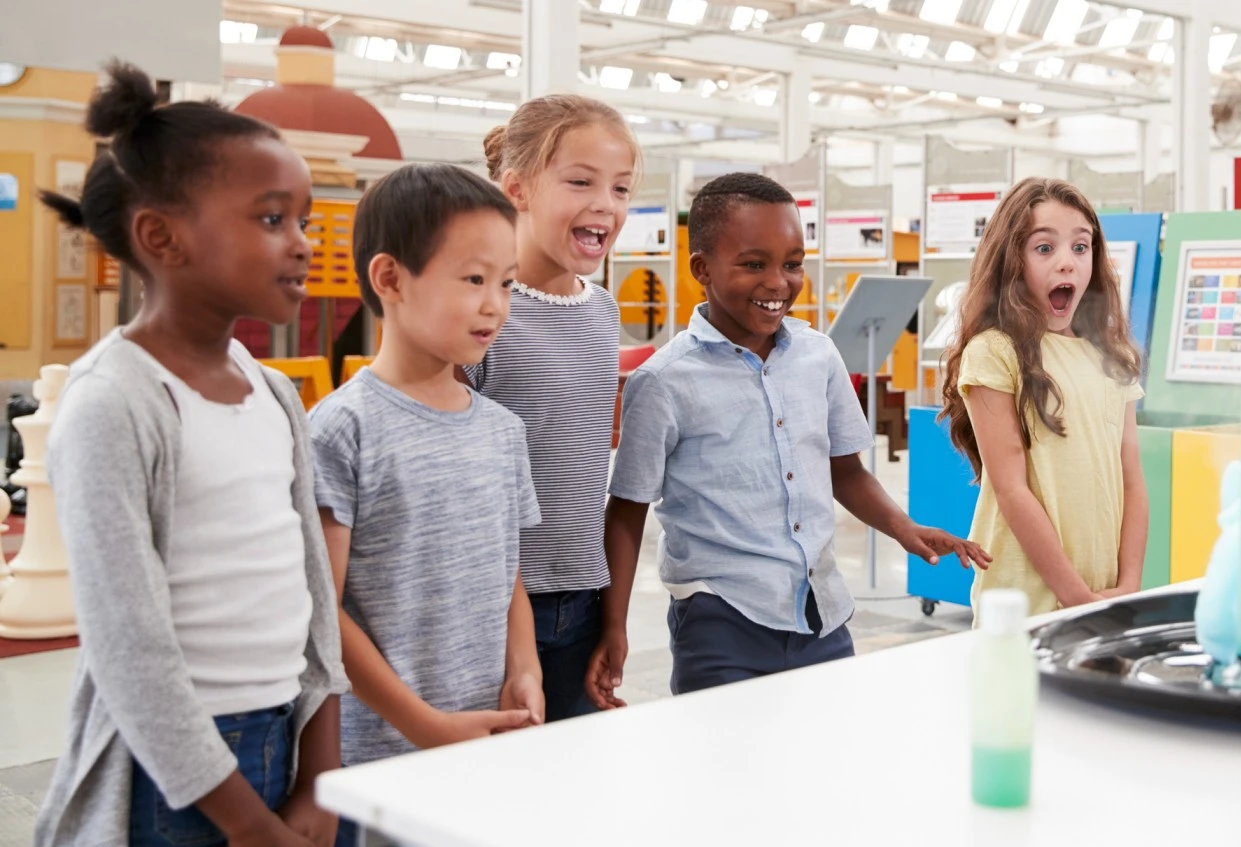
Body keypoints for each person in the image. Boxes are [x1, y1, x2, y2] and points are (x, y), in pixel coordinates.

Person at [35, 61, 347, 847]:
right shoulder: (114, 401)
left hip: (289, 735)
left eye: (303, 221)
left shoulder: (272, 391)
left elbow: (313, 591)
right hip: (176, 779)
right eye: (273, 220)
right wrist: (247, 824)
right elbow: (128, 651)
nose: (302, 246)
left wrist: (319, 775)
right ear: (161, 237)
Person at [603, 173, 989, 699]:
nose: (778, 282)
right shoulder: (664, 382)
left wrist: (903, 528)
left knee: (827, 764)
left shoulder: (818, 356)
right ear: (702, 270)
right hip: (721, 621)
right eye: (753, 264)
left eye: (792, 263)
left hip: (822, 614)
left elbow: (844, 470)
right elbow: (626, 512)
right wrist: (612, 626)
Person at [308, 164, 543, 799]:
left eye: (506, 283)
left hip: (486, 736)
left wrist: (525, 671)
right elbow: (319, 610)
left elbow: (508, 573)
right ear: (390, 279)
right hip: (382, 758)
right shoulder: (341, 429)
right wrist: (426, 725)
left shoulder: (501, 429)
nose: (494, 303)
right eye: (473, 279)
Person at [468, 93, 639, 719]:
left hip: (583, 596)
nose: (606, 204)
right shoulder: (484, 310)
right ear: (517, 189)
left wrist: (611, 617)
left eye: (620, 189)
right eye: (580, 182)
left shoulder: (602, 312)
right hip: (491, 602)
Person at [937, 177, 1148, 619]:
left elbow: (1132, 481)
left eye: (1081, 247)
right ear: (1011, 259)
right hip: (1024, 604)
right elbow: (1012, 490)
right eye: (1045, 248)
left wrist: (1128, 585)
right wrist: (1075, 599)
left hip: (1103, 596)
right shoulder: (995, 351)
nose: (1068, 263)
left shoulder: (1112, 357)